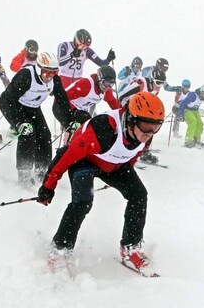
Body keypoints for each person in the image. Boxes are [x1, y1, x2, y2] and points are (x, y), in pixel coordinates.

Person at [37, 92, 165, 275]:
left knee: (138, 195)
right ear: (130, 118)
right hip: (84, 162)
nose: (149, 133)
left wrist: (121, 178)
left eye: (156, 127)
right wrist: (48, 187)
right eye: (146, 126)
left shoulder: (145, 135)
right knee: (83, 201)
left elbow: (132, 155)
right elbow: (64, 157)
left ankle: (131, 248)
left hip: (113, 166)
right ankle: (60, 250)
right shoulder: (101, 130)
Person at [0, 52, 74, 187]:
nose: (50, 76)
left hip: (33, 107)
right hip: (15, 106)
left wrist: (70, 121)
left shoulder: (55, 80)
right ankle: (24, 173)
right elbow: (7, 100)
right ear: (39, 69)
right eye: (47, 72)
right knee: (28, 133)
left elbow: (63, 101)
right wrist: (19, 123)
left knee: (45, 136)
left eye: (54, 72)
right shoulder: (26, 76)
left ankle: (42, 170)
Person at [54, 65, 120, 146]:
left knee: (90, 128)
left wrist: (122, 115)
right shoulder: (86, 84)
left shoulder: (106, 90)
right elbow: (62, 97)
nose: (107, 87)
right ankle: (66, 148)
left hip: (79, 110)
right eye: (105, 83)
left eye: (111, 84)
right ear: (99, 79)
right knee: (75, 128)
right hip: (61, 106)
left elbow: (113, 102)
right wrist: (67, 119)